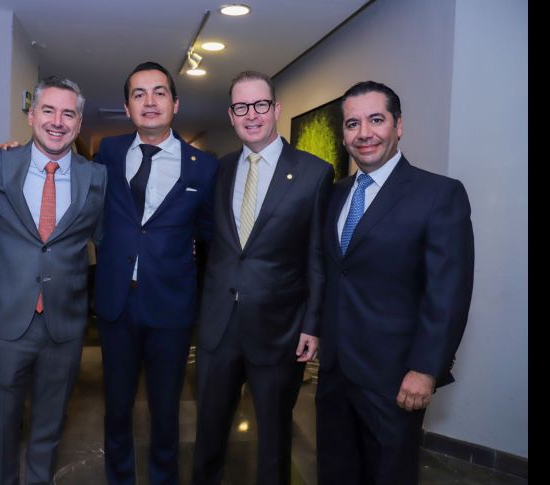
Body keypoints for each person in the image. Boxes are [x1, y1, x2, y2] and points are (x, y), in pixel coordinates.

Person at [316, 80, 475, 485]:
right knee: (336, 470)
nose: (364, 133)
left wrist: (425, 370)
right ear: (344, 134)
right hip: (334, 373)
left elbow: (448, 293)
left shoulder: (439, 194)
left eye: (376, 120)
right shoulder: (335, 194)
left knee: (389, 474)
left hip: (394, 378)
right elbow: (334, 272)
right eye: (353, 123)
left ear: (398, 125)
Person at [191, 71, 333, 485]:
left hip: (279, 329)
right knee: (208, 434)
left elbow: (317, 258)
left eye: (259, 105)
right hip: (219, 325)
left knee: (274, 440)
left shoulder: (314, 173)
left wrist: (312, 324)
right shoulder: (219, 170)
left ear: (276, 109)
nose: (250, 115)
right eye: (241, 107)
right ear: (231, 115)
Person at [0, 77, 106, 485]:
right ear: (31, 115)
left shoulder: (96, 177)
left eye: (68, 114)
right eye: (48, 110)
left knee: (49, 425)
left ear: (79, 123)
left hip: (64, 324)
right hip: (6, 319)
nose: (57, 122)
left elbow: (108, 240)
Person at [93, 61, 219, 485]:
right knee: (116, 408)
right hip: (116, 304)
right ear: (128, 107)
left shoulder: (203, 166)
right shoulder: (108, 153)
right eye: (139, 94)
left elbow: (210, 237)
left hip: (171, 309)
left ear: (175, 103)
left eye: (159, 92)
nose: (149, 102)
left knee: (166, 411)